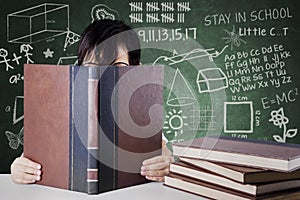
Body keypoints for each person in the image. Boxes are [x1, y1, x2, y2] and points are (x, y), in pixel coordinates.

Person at [11, 19, 173, 184]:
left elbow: (164, 152)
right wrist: (20, 169)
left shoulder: (141, 113)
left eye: (117, 67)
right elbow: (27, 160)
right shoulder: (59, 109)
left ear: (135, 70)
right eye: (91, 67)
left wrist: (167, 164)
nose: (102, 76)